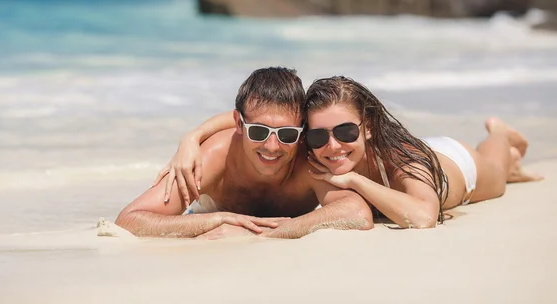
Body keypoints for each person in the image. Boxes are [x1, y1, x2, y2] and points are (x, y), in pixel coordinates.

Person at [157, 76, 543, 228]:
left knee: (497, 165)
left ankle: (501, 136)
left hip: (458, 166)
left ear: (368, 126)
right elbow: (256, 121)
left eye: (345, 132)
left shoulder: (403, 154)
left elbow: (423, 216)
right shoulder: (306, 148)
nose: (333, 146)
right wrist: (192, 137)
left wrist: (356, 180)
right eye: (318, 136)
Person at [115, 68, 373, 239]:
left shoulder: (308, 160)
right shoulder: (214, 157)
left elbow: (357, 213)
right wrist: (218, 220)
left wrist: (267, 233)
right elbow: (130, 220)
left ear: (302, 132)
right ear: (239, 124)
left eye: (286, 134)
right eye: (259, 132)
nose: (272, 147)